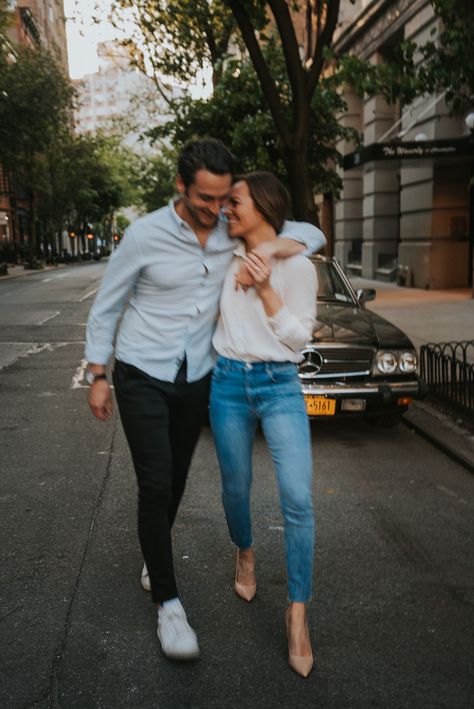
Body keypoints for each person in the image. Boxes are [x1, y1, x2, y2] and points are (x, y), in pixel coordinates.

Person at [85, 139, 326, 662]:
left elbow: (310, 232)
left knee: (186, 480)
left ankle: (167, 553)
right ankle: (172, 601)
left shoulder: (235, 236)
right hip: (148, 370)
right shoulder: (147, 235)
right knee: (161, 481)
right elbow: (106, 306)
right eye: (208, 200)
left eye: (226, 200)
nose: (217, 210)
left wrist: (269, 255)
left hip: (215, 378)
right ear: (181, 186)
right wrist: (97, 372)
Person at [209, 171, 317, 678]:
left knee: (297, 498)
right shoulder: (217, 256)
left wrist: (268, 284)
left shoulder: (300, 268)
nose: (227, 209)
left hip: (280, 385)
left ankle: (297, 613)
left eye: (236, 202)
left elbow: (298, 341)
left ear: (264, 207)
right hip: (228, 382)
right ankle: (245, 552)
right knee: (236, 489)